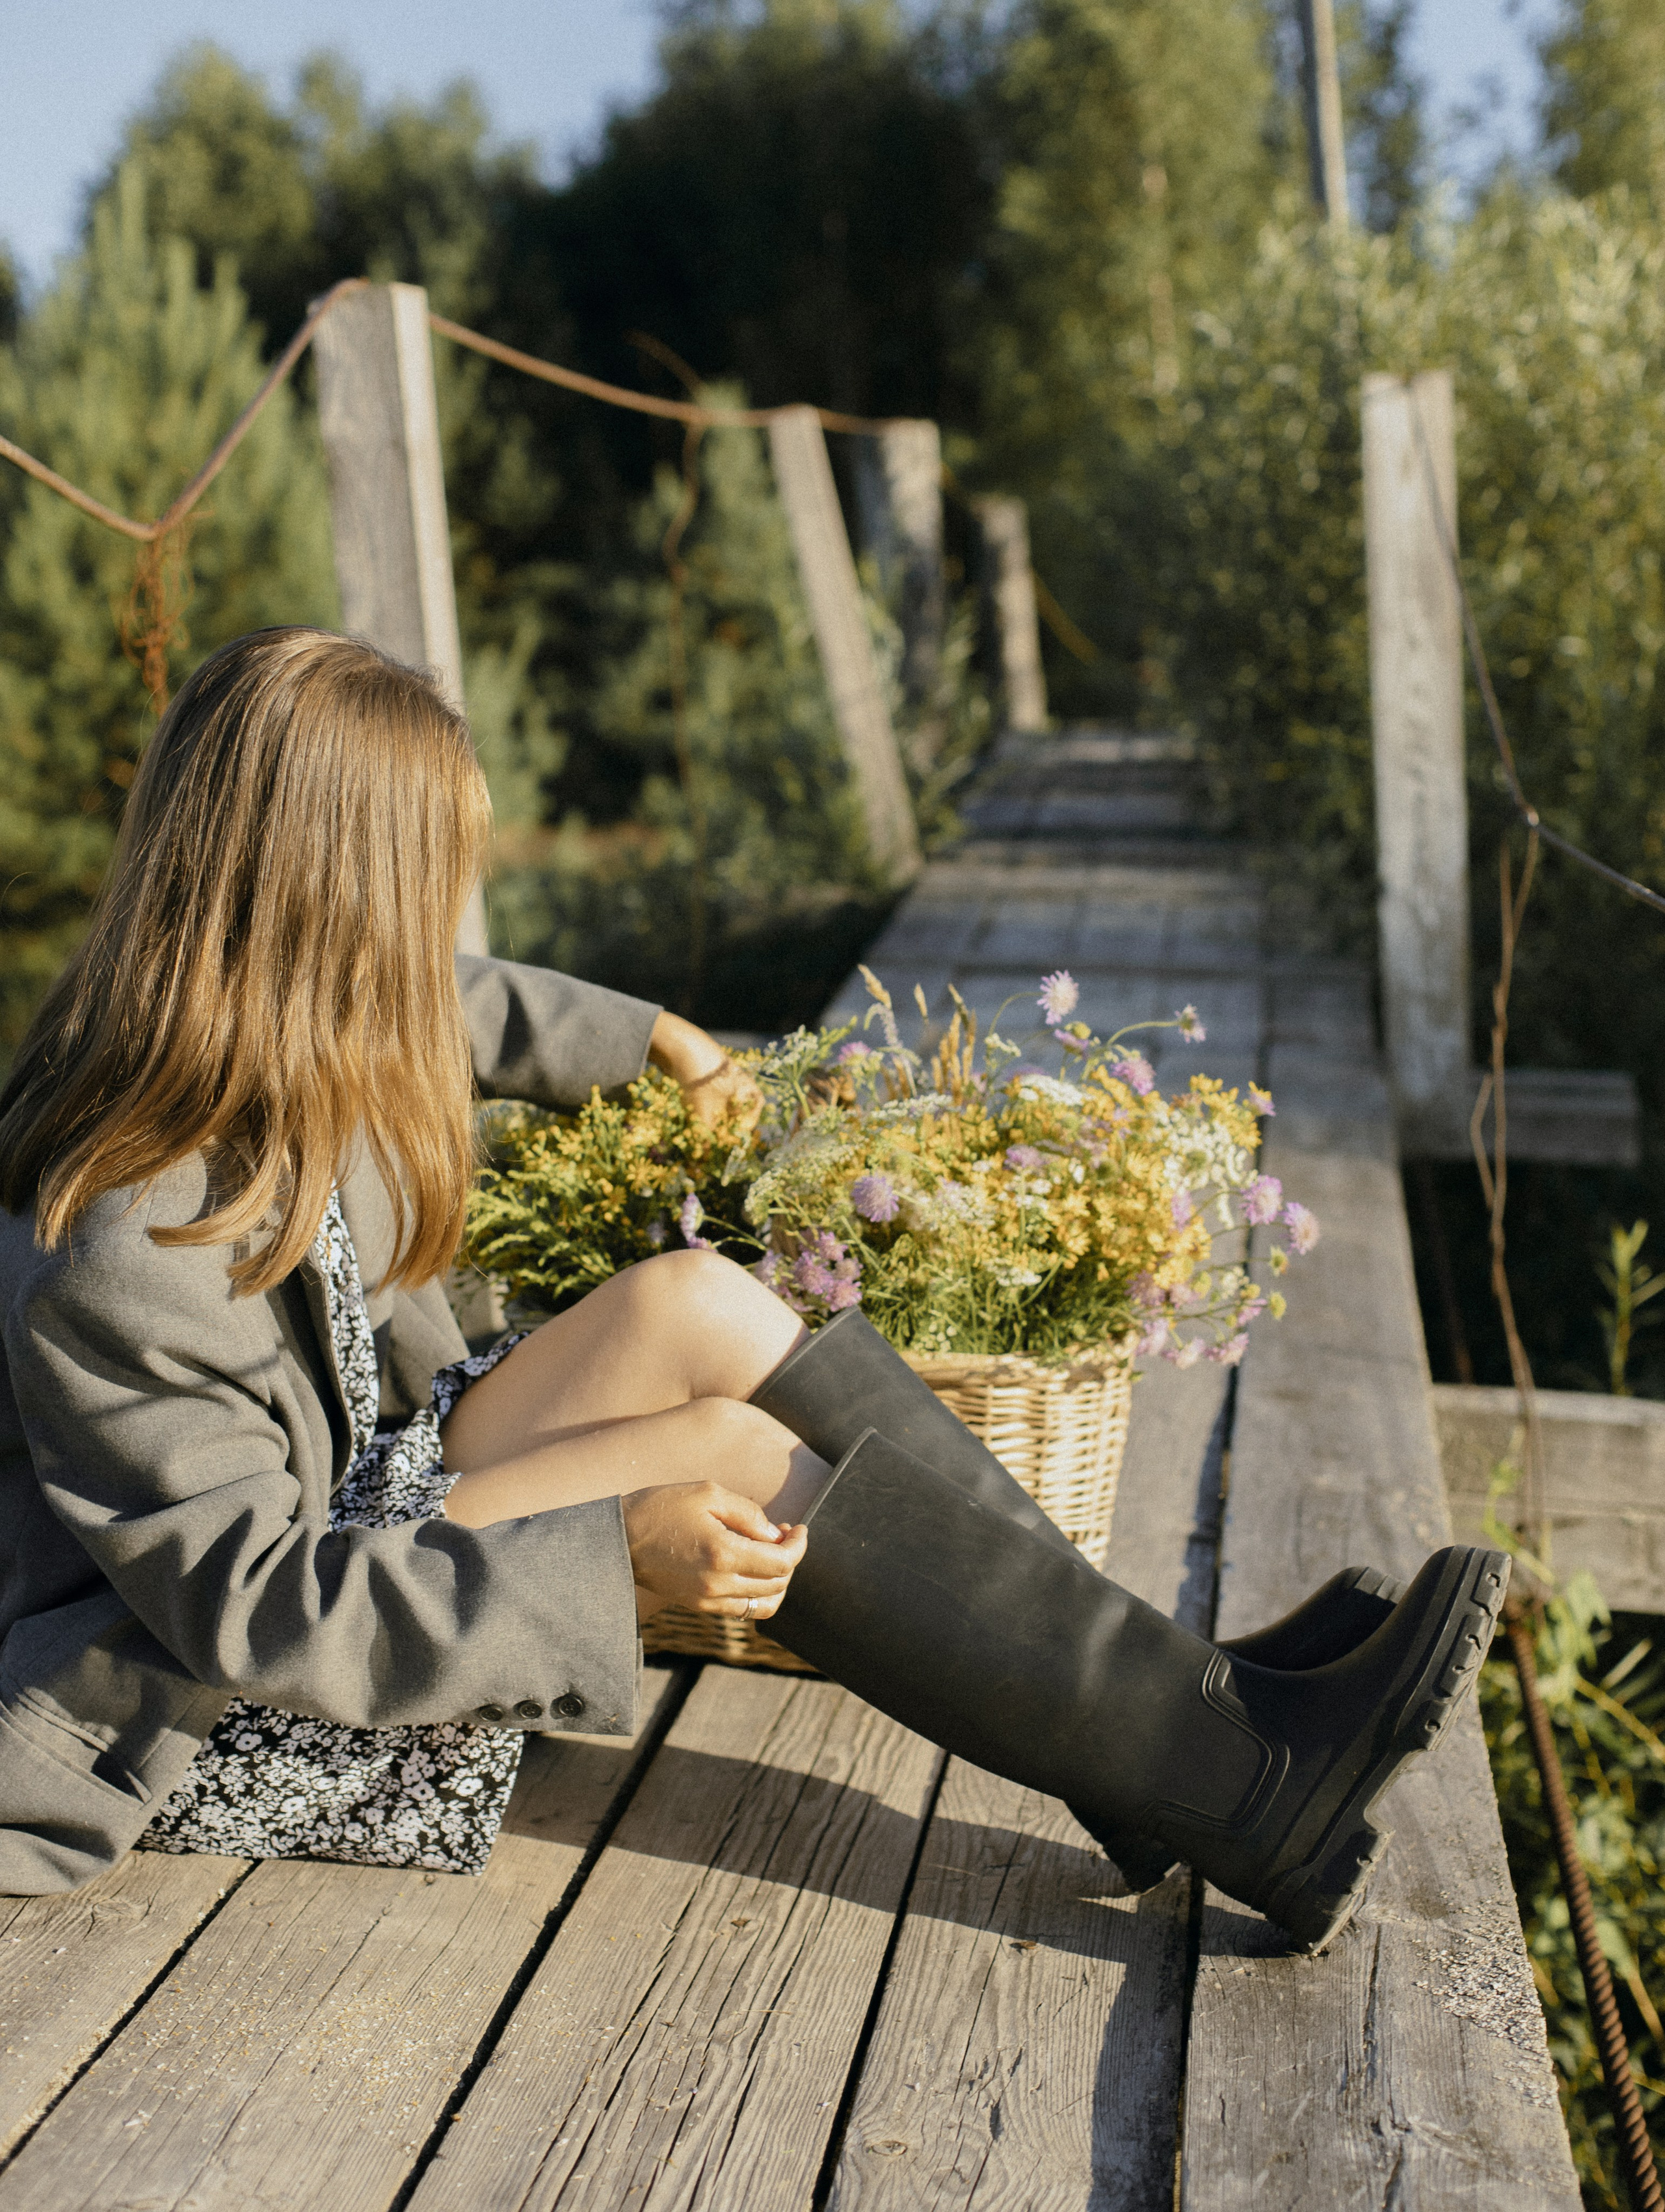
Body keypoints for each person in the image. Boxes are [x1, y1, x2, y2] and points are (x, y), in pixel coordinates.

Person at [0, 628, 1507, 1951]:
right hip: (200, 1698)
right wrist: (613, 1556)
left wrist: (660, 1035)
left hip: (335, 1524)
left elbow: (462, 1002)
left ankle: (1153, 1726)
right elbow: (262, 1613)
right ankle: (1226, 1779)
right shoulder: (122, 1242)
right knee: (722, 1447)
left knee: (694, 1303)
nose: (440, 943)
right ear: (334, 917)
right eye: (424, 903)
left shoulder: (254, 1019)